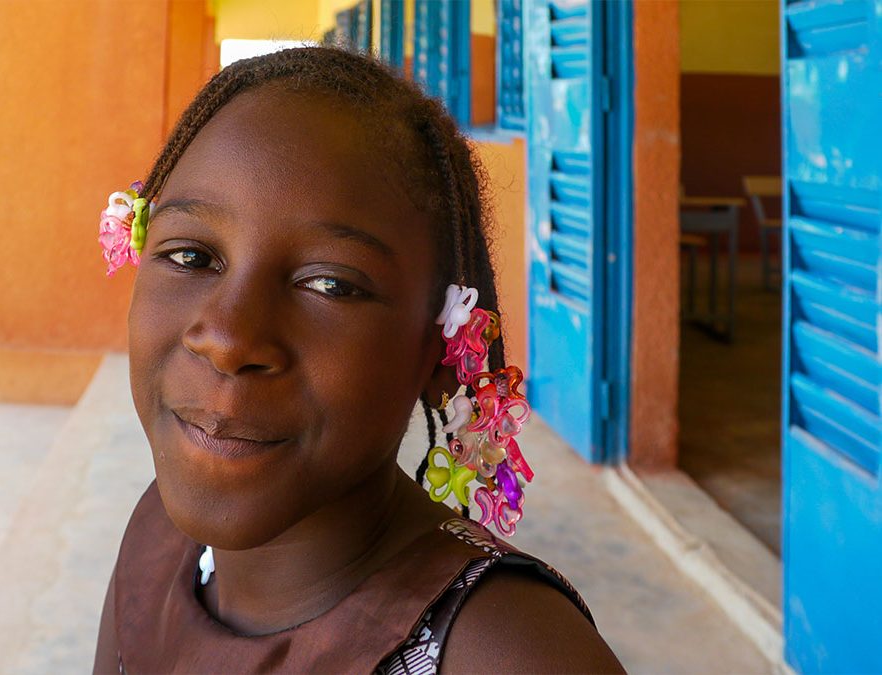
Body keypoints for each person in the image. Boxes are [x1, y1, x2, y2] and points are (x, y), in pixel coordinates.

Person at [93, 46, 624, 674]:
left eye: (331, 285)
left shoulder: (510, 656)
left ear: (443, 350)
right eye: (191, 256)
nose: (228, 339)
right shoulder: (157, 539)